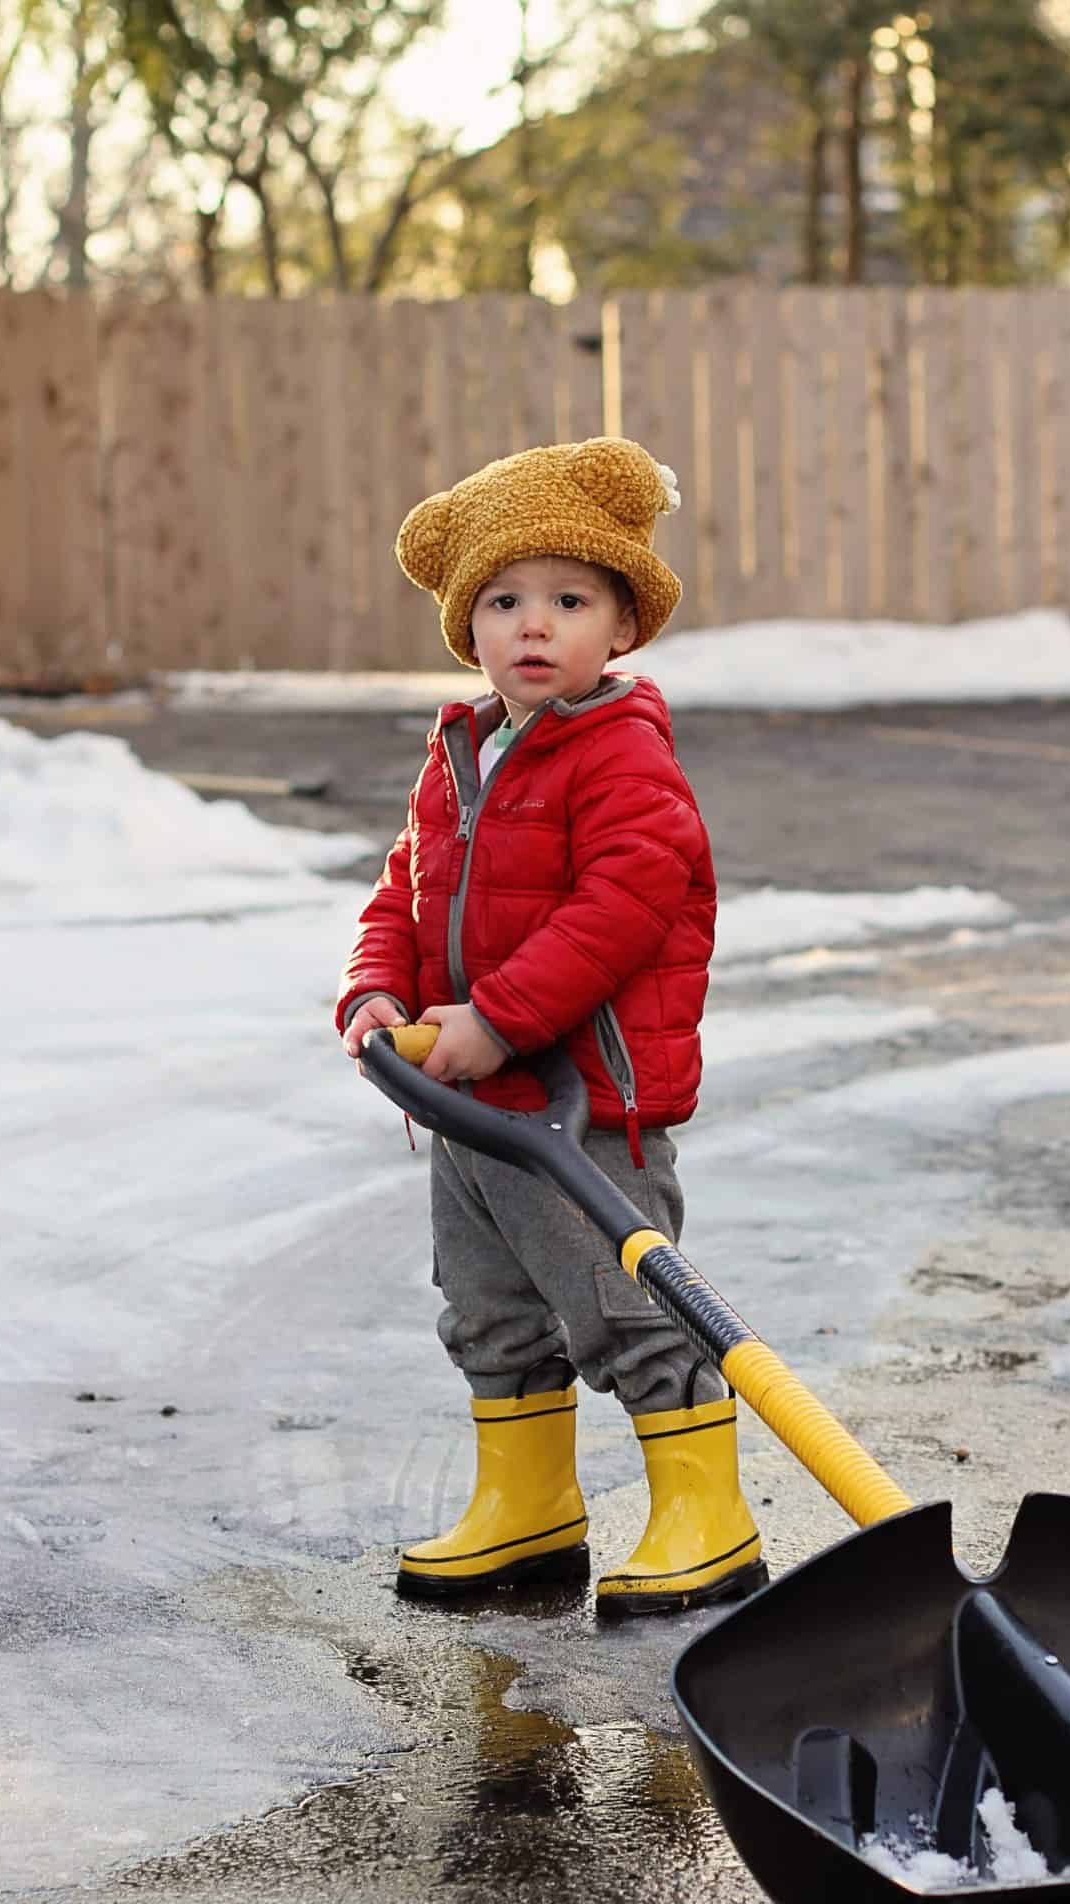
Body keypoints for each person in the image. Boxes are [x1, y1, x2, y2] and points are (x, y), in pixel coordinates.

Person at [336, 436, 766, 1618]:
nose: (536, 625)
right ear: (469, 628)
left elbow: (628, 900)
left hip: (587, 1108)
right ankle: (527, 1504)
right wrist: (375, 990)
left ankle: (706, 1513)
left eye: (569, 600)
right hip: (472, 1106)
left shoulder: (623, 753)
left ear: (621, 626)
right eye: (505, 601)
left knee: (628, 1310)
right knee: (490, 1311)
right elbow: (404, 885)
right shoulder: (461, 751)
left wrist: (502, 1016)